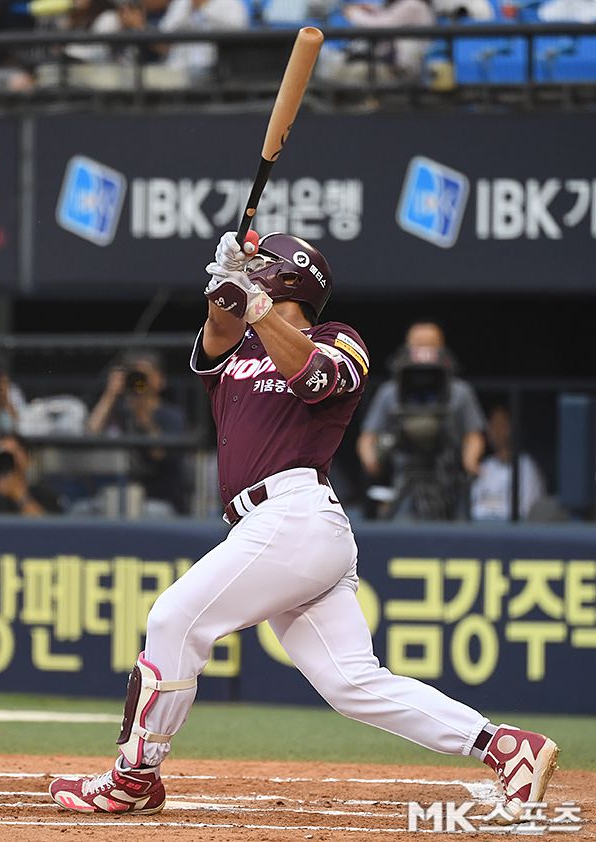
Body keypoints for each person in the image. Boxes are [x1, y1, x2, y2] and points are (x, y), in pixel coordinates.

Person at [49, 230, 558, 823]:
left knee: (173, 619)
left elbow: (315, 378)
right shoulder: (239, 346)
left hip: (295, 513)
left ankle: (134, 777)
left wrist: (258, 307)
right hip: (273, 528)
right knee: (352, 684)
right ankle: (506, 748)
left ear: (290, 278)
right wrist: (225, 281)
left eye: (263, 264)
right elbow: (218, 328)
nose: (254, 271)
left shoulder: (339, 339)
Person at [356, 320, 485, 519]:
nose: (424, 351)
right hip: (405, 483)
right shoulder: (390, 392)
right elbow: (368, 436)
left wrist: (471, 460)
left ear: (442, 347)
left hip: (449, 483)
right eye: (418, 344)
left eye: (430, 344)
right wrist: (371, 459)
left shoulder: (460, 392)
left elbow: (473, 435)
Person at [87, 350, 189, 514]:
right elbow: (91, 433)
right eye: (135, 374)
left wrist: (143, 415)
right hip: (113, 495)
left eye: (145, 375)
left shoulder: (172, 416)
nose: (139, 381)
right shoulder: (118, 410)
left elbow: (159, 454)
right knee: (81, 510)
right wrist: (110, 394)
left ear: (160, 380)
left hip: (157, 499)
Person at [471, 404, 546, 521]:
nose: (496, 430)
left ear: (513, 428)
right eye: (492, 425)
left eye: (501, 425)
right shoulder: (485, 466)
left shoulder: (526, 467)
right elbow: (472, 507)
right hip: (481, 528)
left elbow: (528, 512)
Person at [0, 431, 63, 515]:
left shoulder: (44, 494)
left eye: (15, 452)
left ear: (28, 460)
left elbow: (48, 528)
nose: (9, 458)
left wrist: (19, 495)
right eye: (4, 453)